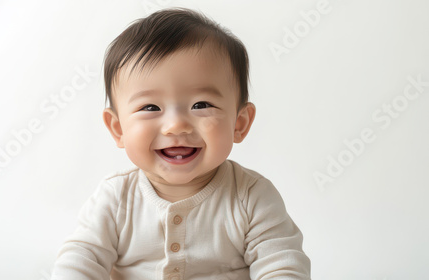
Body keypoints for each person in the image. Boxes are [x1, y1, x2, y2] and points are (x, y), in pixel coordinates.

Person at [51, 7, 311, 280]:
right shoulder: (116, 199)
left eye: (201, 105)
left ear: (239, 123)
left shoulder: (252, 197)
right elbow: (81, 258)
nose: (176, 125)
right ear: (118, 129)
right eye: (150, 107)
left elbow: (281, 265)